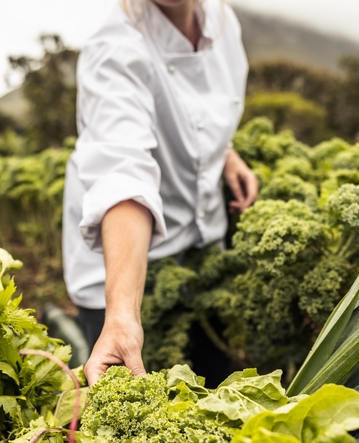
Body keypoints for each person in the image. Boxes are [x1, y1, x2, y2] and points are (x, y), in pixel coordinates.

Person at [62, 0, 258, 386]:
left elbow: (199, 110)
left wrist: (224, 153)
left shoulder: (221, 20)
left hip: (198, 244)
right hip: (121, 261)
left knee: (215, 377)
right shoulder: (115, 47)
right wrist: (121, 314)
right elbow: (123, 173)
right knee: (140, 414)